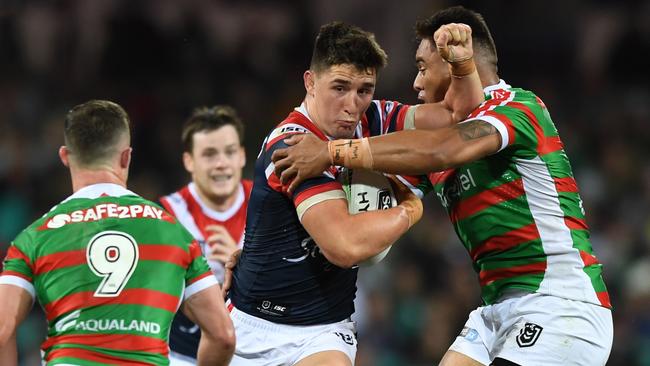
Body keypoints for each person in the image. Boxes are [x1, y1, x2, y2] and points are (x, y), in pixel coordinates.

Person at [271, 6, 613, 366]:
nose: (416, 83)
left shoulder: (518, 108)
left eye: (422, 68)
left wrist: (331, 151)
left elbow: (446, 149)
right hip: (495, 310)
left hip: (560, 303)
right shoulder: (426, 151)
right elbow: (350, 209)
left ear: (455, 63)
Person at [225, 20, 482, 366]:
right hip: (251, 327)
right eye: (340, 87)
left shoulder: (372, 118)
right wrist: (410, 209)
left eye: (364, 89)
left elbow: (460, 116)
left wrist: (463, 66)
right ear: (310, 82)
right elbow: (344, 246)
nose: (352, 104)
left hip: (324, 329)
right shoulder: (290, 146)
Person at [0, 100, 235, 366]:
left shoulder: (35, 236)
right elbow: (223, 335)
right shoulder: (174, 233)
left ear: (65, 156)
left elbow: (1, 329)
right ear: (126, 157)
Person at [160, 105, 251, 365]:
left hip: (254, 351)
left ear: (242, 156)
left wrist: (243, 265)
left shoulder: (266, 206)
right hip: (182, 355)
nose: (221, 163)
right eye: (210, 154)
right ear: (189, 161)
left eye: (230, 152)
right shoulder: (168, 215)